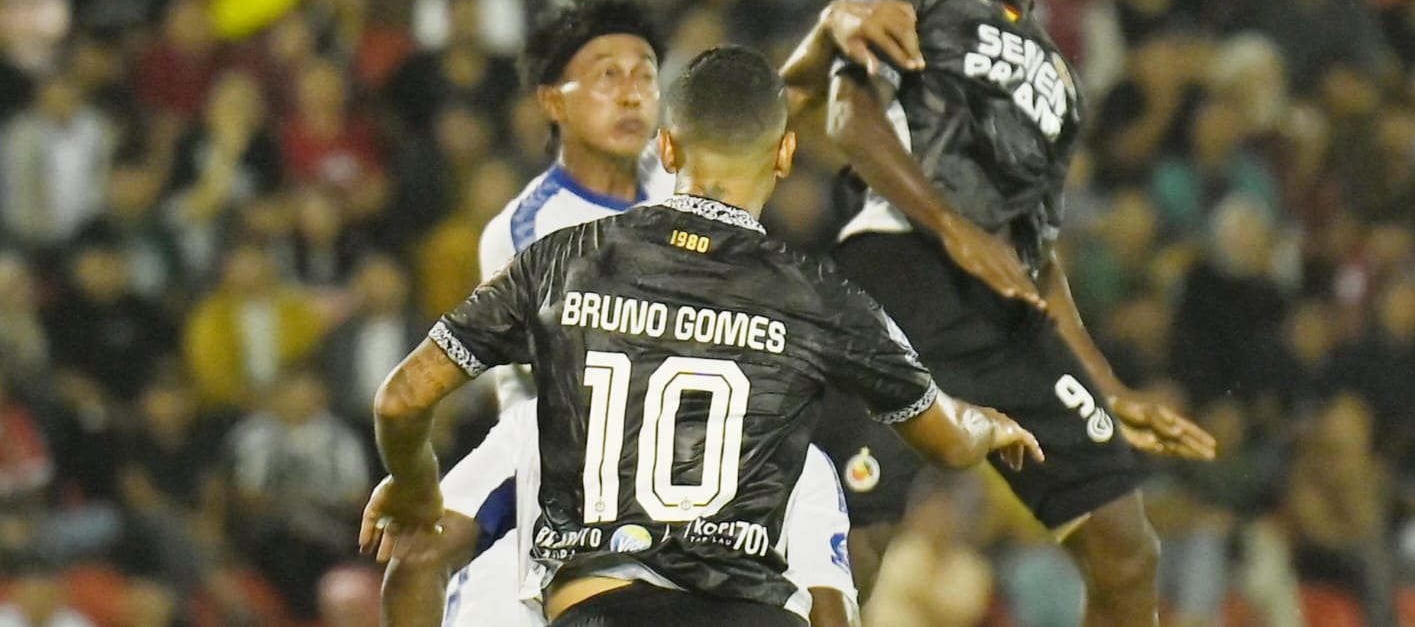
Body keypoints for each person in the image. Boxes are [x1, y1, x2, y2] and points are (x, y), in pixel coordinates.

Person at [362, 46, 1043, 627]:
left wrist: (414, 482)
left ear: (665, 147)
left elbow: (401, 399)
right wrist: (986, 424)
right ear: (784, 154)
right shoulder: (824, 296)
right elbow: (949, 443)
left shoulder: (561, 259)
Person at [796, 0, 1217, 619]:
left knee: (1127, 548)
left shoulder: (1063, 79)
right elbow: (849, 117)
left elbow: (1038, 254)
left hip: (1002, 314)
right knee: (853, 540)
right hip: (895, 278)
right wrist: (951, 225)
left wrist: (1109, 385)